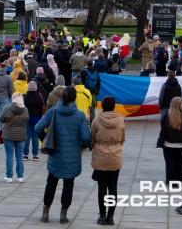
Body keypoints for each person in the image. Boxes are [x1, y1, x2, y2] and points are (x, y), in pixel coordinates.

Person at [35, 87, 91, 224]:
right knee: (68, 184)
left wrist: (46, 139)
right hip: (72, 156)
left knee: (51, 182)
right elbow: (86, 137)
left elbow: (37, 128)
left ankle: (45, 212)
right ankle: (63, 214)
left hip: (55, 154)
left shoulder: (53, 112)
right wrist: (82, 145)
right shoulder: (80, 115)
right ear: (74, 98)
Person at [91, 96, 125, 225]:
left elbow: (92, 138)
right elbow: (122, 139)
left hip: (100, 156)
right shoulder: (120, 120)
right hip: (115, 156)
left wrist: (97, 146)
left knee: (102, 187)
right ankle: (111, 216)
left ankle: (102, 215)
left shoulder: (97, 120)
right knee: (113, 187)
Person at [0, 92, 29, 183]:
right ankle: (20, 176)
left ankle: (9, 176)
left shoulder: (7, 108)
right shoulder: (25, 110)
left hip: (8, 135)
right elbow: (26, 120)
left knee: (9, 155)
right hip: (21, 135)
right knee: (19, 155)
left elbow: (1, 119)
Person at [23, 81, 44, 161]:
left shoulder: (25, 96)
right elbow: (42, 106)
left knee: (27, 137)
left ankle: (25, 154)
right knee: (35, 137)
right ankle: (35, 155)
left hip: (27, 118)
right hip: (36, 118)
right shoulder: (39, 96)